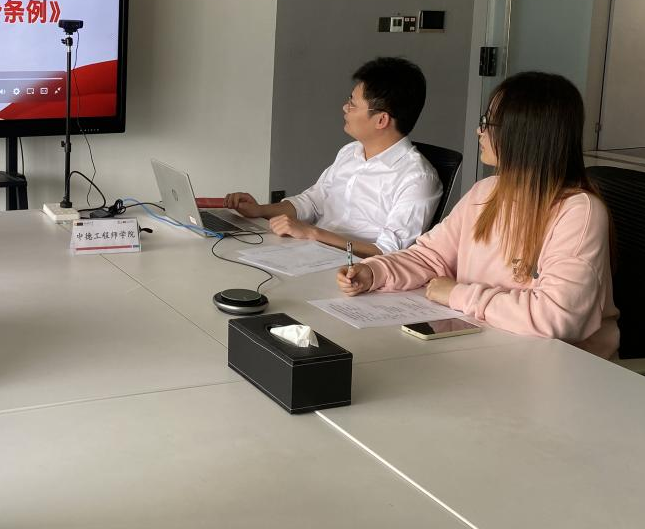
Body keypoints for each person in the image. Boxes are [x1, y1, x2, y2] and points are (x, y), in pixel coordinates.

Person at [337, 72, 619, 358]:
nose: (479, 131)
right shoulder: (486, 191)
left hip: (563, 365)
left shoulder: (579, 212)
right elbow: (429, 256)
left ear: (525, 134)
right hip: (489, 347)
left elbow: (557, 317)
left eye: (488, 123)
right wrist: (375, 271)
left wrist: (457, 294)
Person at [225, 57, 441, 257]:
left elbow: (388, 251)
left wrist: (313, 233)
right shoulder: (350, 152)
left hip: (353, 270)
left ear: (381, 120)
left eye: (353, 104)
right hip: (310, 253)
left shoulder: (418, 179)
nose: (345, 108)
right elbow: (313, 202)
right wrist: (259, 210)